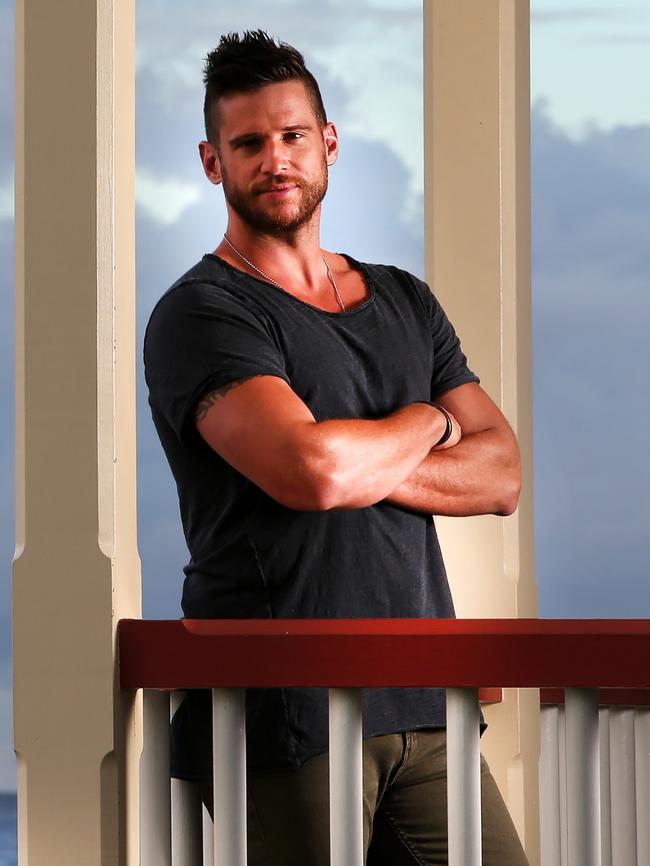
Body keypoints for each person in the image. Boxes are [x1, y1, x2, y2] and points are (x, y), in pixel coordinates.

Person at [144, 29, 528, 866]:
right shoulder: (203, 314)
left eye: (291, 136)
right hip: (285, 712)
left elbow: (502, 473)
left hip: (426, 704)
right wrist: (429, 417)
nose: (274, 159)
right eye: (248, 143)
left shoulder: (403, 299)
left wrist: (365, 459)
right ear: (214, 163)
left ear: (329, 144)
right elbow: (311, 473)